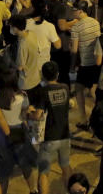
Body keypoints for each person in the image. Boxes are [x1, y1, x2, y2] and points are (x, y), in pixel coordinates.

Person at [32, 61, 71, 194]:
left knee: (44, 172)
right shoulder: (65, 88)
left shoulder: (43, 91)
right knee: (66, 167)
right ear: (58, 74)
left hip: (50, 137)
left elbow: (38, 115)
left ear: (42, 75)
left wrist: (28, 113)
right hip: (65, 135)